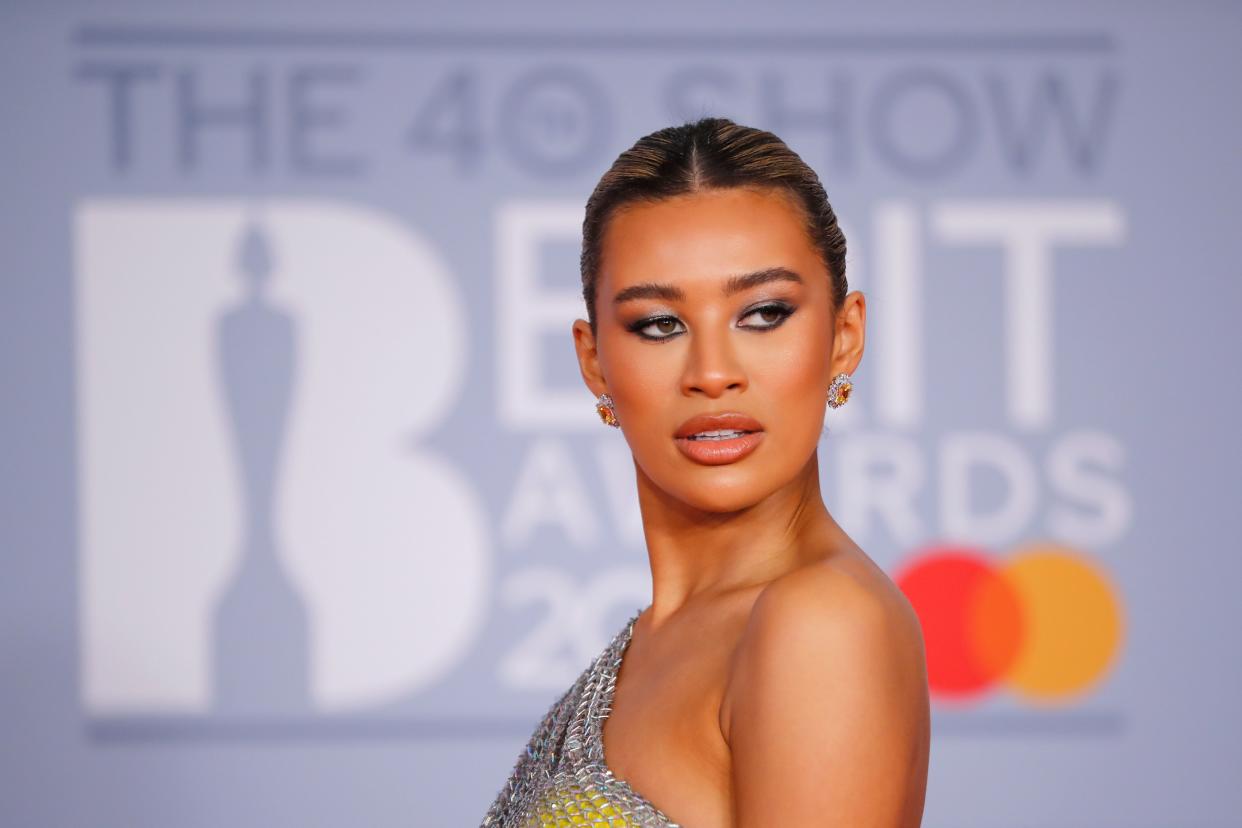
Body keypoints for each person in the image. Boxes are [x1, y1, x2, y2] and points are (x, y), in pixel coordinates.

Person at [481, 116, 930, 827]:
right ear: (593, 360)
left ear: (844, 338)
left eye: (763, 313)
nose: (713, 374)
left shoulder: (818, 625)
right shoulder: (653, 639)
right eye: (659, 324)